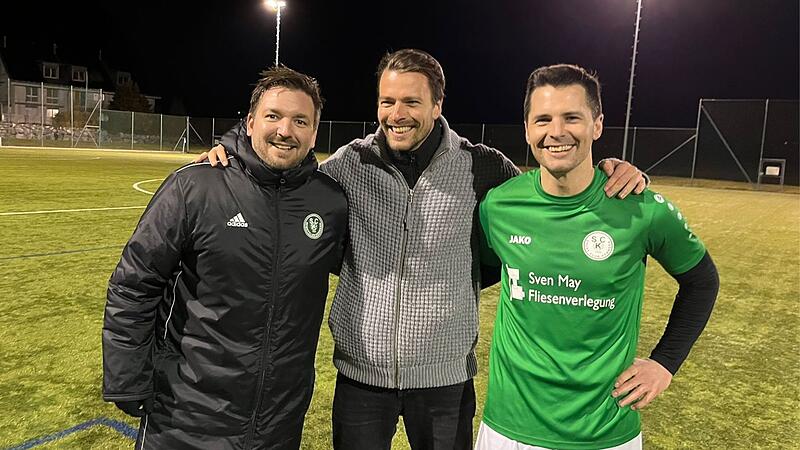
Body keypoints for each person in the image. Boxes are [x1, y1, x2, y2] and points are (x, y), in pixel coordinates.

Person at [201, 49, 647, 449]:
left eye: (411, 102)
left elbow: (547, 195)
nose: (397, 114)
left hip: (444, 383)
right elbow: (285, 173)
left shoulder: (481, 165)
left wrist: (612, 169)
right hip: (361, 379)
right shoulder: (349, 164)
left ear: (437, 105)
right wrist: (233, 151)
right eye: (387, 101)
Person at [102, 67, 348, 450]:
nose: (285, 130)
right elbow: (135, 283)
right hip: (186, 413)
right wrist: (128, 377)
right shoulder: (196, 185)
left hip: (279, 421)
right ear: (249, 122)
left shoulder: (329, 202)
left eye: (300, 121)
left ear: (314, 133)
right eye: (273, 116)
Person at [476, 64, 720, 450]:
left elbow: (702, 281)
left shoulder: (641, 208)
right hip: (508, 427)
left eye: (572, 118)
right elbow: (478, 271)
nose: (556, 131)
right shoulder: (499, 206)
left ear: (598, 125)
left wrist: (665, 363)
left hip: (605, 431)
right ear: (527, 129)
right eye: (543, 119)